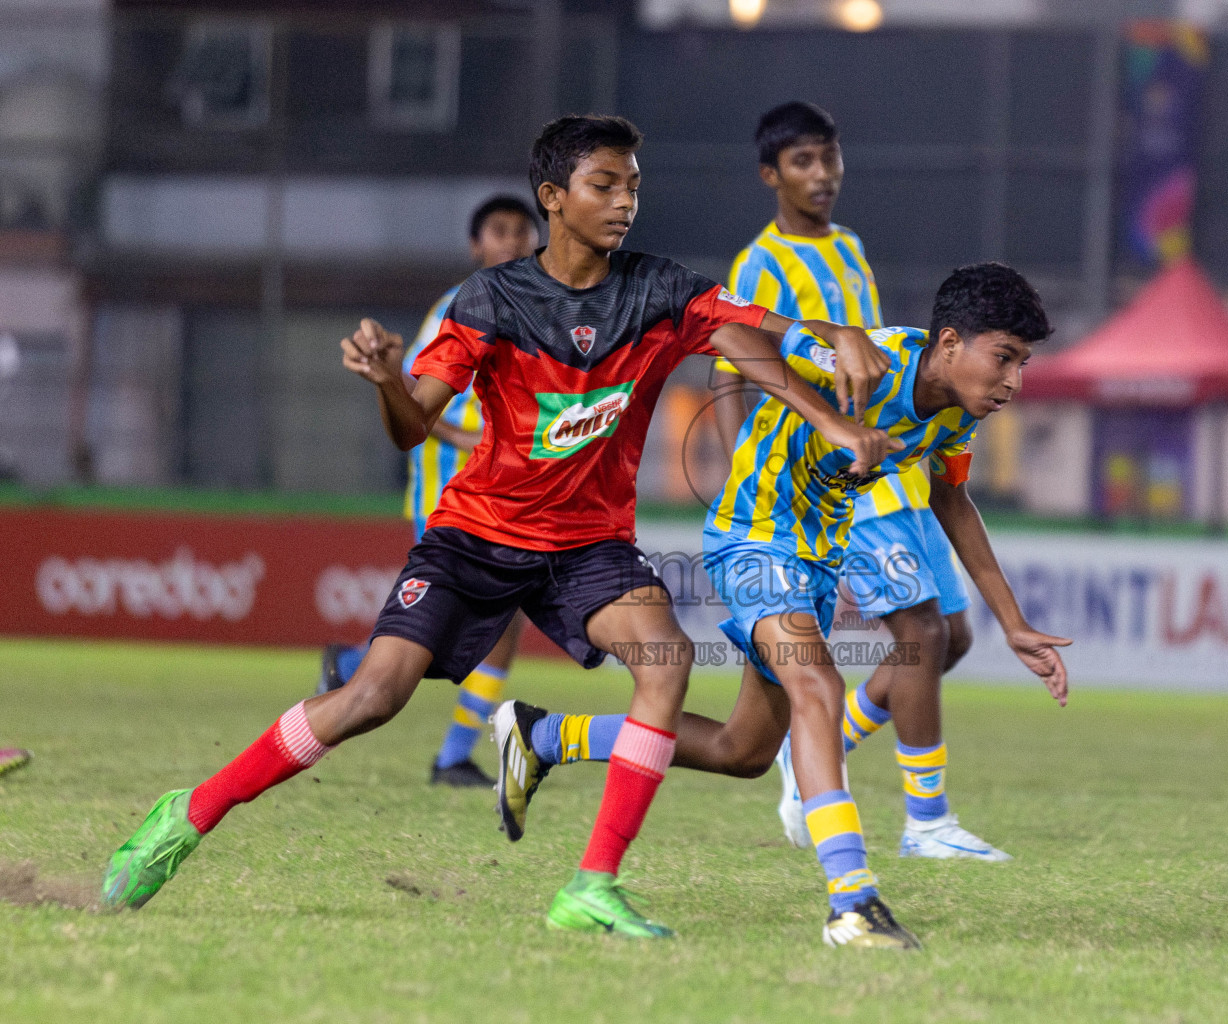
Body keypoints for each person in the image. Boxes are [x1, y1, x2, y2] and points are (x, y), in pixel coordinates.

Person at [100, 115, 894, 940]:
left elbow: (747, 336)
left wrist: (828, 353)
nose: (624, 202)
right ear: (554, 198)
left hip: (587, 546)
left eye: (632, 186)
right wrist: (385, 380)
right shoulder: (492, 298)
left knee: (667, 661)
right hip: (474, 538)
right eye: (604, 185)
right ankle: (189, 813)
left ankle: (591, 885)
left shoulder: (660, 289)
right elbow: (413, 429)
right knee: (372, 698)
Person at [498, 263, 1071, 949]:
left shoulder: (954, 414)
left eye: (1021, 364)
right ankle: (852, 903)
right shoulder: (868, 360)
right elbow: (735, 332)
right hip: (752, 538)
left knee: (743, 751)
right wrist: (826, 398)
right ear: (948, 342)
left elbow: (952, 501)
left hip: (815, 562)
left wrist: (1011, 622)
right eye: (1003, 358)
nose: (1012, 382)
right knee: (817, 685)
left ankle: (542, 736)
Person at [712, 101, 1000, 860]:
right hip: (829, 472)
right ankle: (926, 824)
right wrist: (728, 467)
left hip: (895, 462)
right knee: (918, 632)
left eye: (830, 158)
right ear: (770, 174)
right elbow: (728, 363)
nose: (823, 175)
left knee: (952, 637)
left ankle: (813, 747)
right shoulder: (760, 263)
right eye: (803, 162)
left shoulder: (851, 248)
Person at [318, 194, 541, 789]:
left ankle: (450, 756)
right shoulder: (457, 306)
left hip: (506, 499)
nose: (513, 241)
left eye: (523, 230)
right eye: (499, 231)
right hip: (448, 498)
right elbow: (410, 390)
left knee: (496, 627)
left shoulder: (536, 310)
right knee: (455, 630)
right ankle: (366, 682)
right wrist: (470, 440)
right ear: (476, 246)